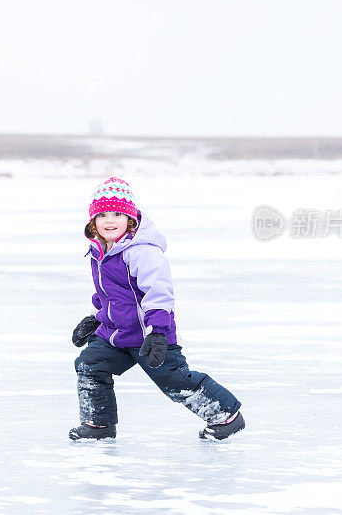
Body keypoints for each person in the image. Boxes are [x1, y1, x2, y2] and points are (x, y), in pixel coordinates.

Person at [69, 177, 245, 441]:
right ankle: (98, 425)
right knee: (90, 364)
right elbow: (110, 293)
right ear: (93, 222)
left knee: (174, 380)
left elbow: (159, 293)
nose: (110, 220)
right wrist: (96, 318)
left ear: (130, 219)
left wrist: (159, 332)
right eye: (102, 214)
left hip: (149, 333)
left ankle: (226, 415)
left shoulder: (142, 251)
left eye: (117, 213)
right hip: (115, 334)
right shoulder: (100, 251)